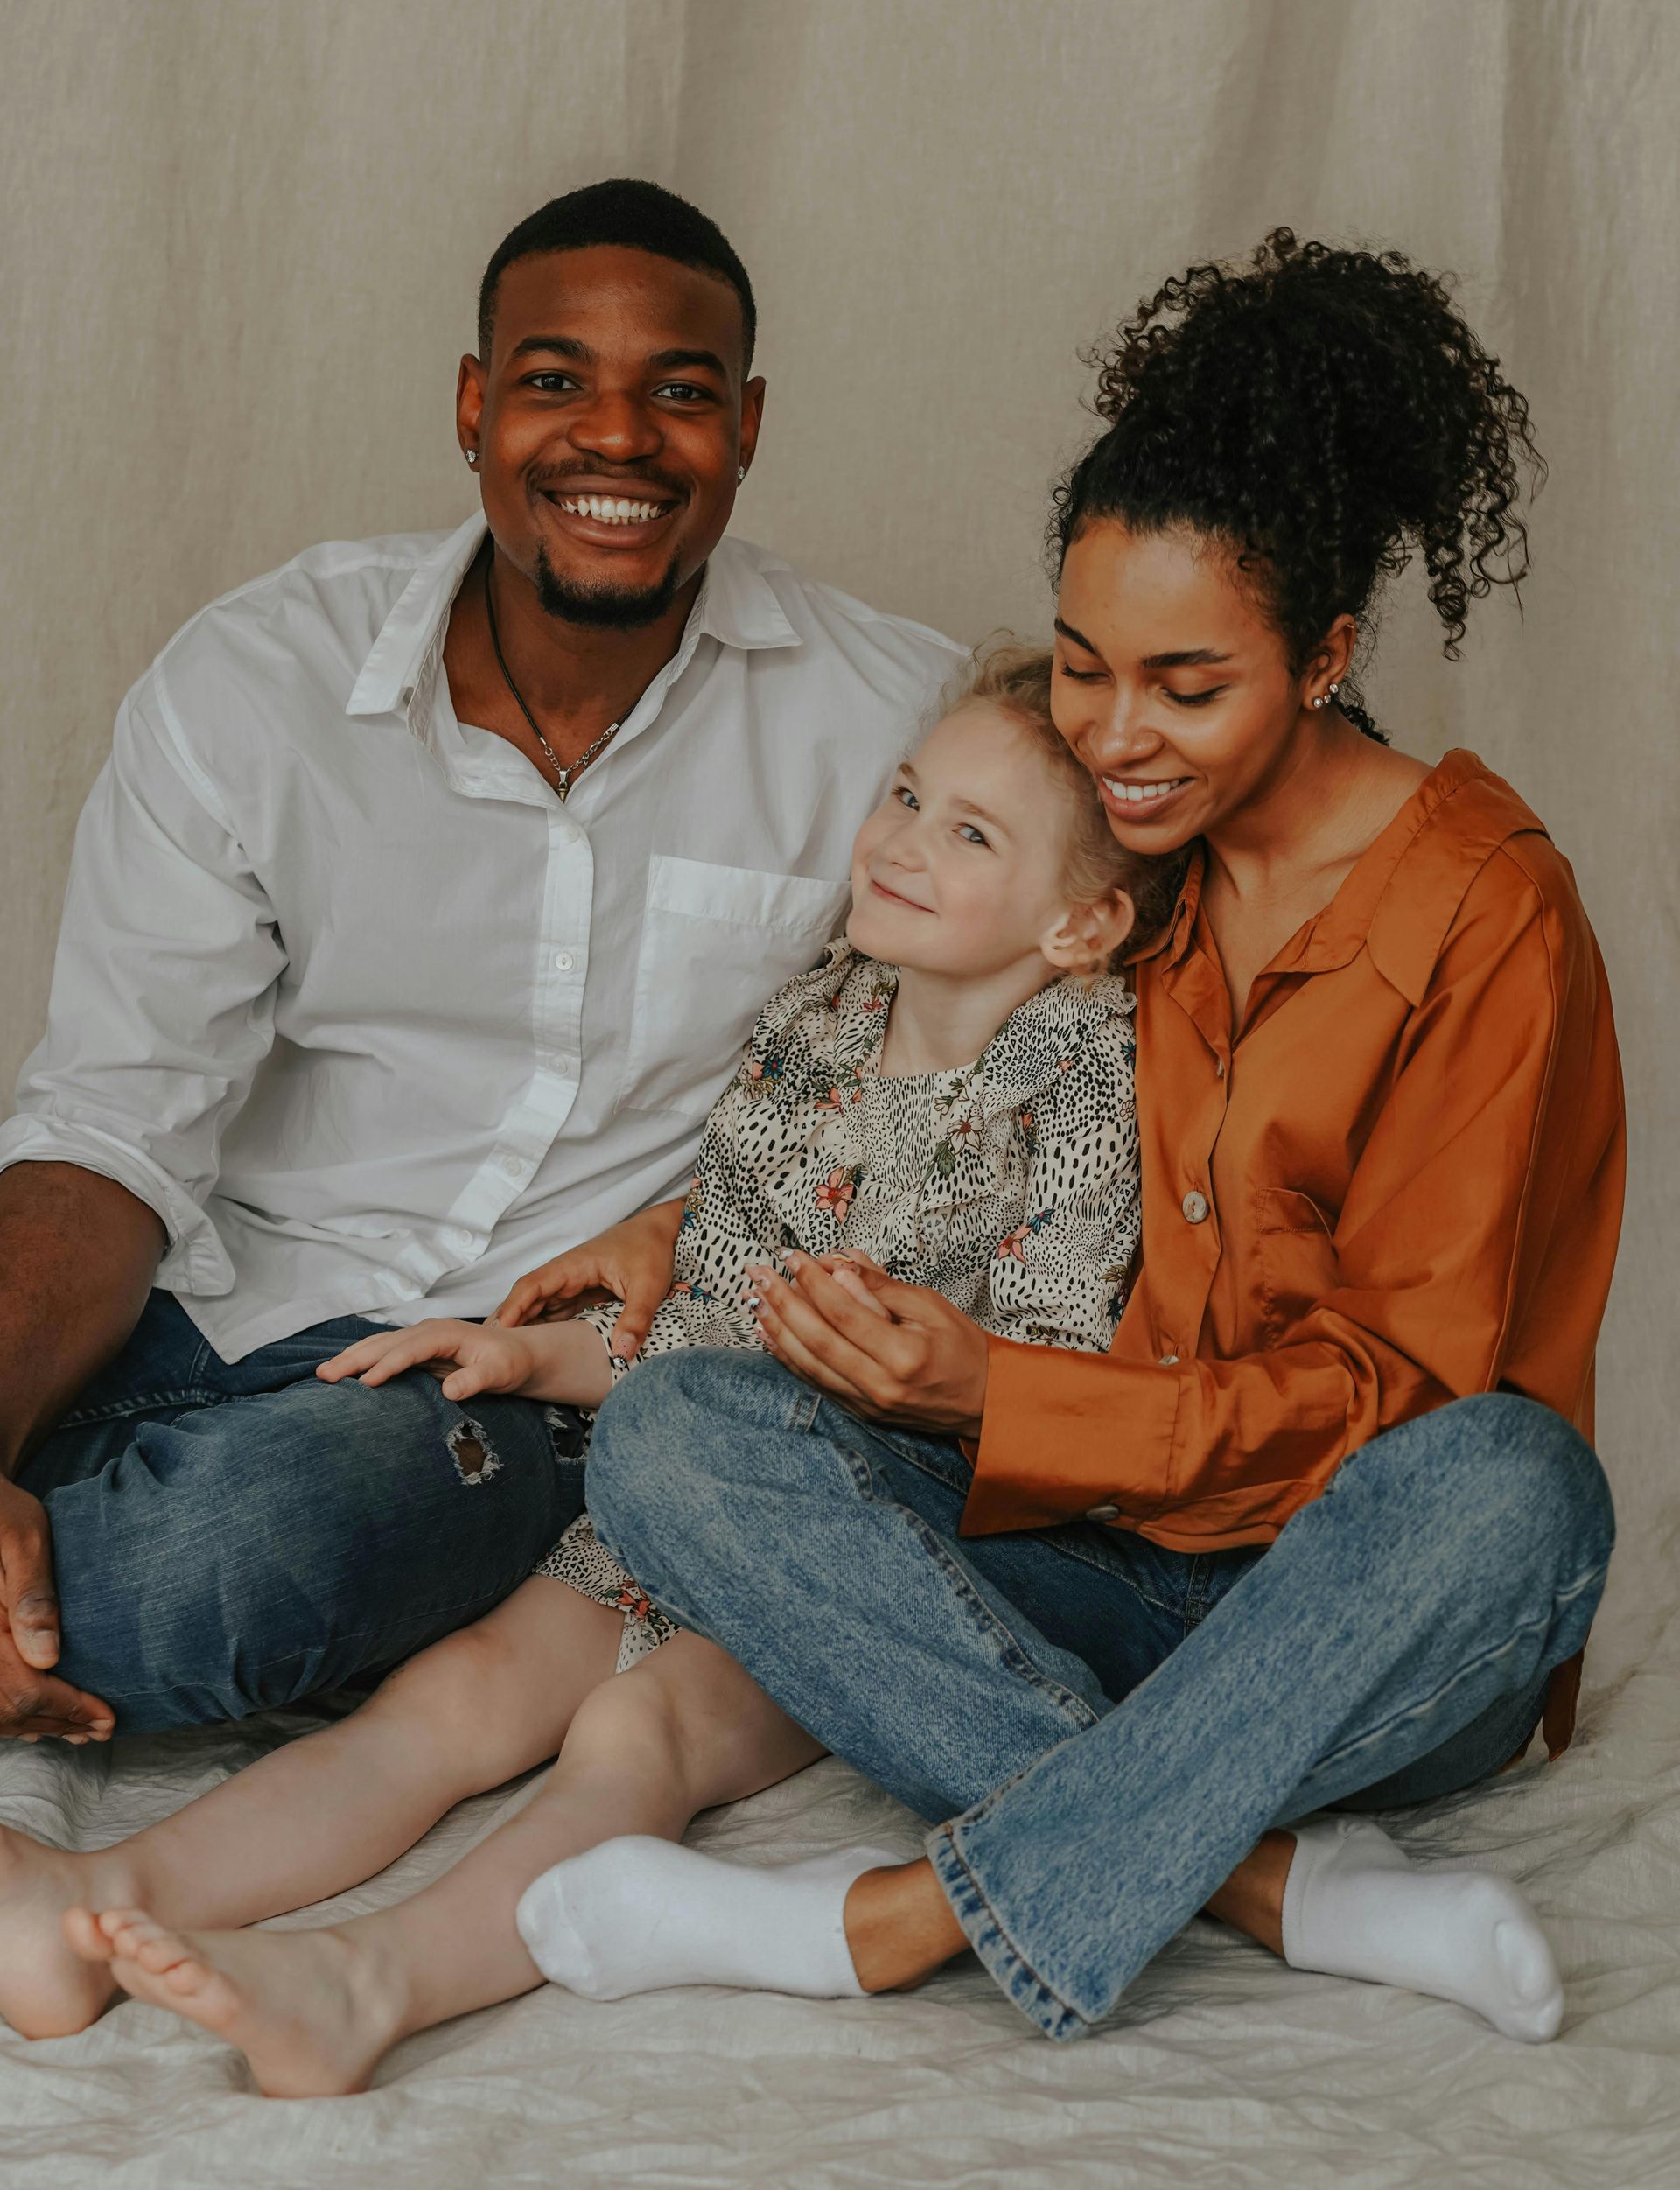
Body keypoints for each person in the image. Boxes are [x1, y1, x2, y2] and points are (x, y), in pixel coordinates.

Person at [528, 232, 1620, 2045]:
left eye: (1187, 689)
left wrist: (999, 1399)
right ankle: (1264, 1881)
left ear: (1332, 655)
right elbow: (901, 1060)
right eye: (1089, 667)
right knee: (678, 1436)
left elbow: (1400, 1409)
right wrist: (679, 1226)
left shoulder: (1483, 912)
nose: (1115, 737)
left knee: (1517, 1481)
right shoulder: (1126, 871)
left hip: (1365, 1610)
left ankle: (868, 1927)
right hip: (1099, 1569)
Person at [10, 654, 1152, 2083]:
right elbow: (710, 1314)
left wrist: (941, 1379)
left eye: (969, 833)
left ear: (1084, 920)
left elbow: (1058, 1390)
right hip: (678, 1485)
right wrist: (532, 1354)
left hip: (871, 1537)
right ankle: (98, 1903)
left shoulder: (1086, 1086)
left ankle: (368, 1986)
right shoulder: (824, 1023)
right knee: (459, 1696)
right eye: (907, 795)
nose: (902, 841)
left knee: (639, 1728)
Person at [0, 178, 962, 1748]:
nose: (618, 437)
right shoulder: (257, 686)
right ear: (473, 408)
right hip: (214, 1303)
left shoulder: (894, 723)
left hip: (523, 1381)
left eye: (681, 392)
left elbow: (979, 1085)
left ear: (750, 426)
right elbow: (111, 1124)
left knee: (237, 1555)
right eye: (553, 379)